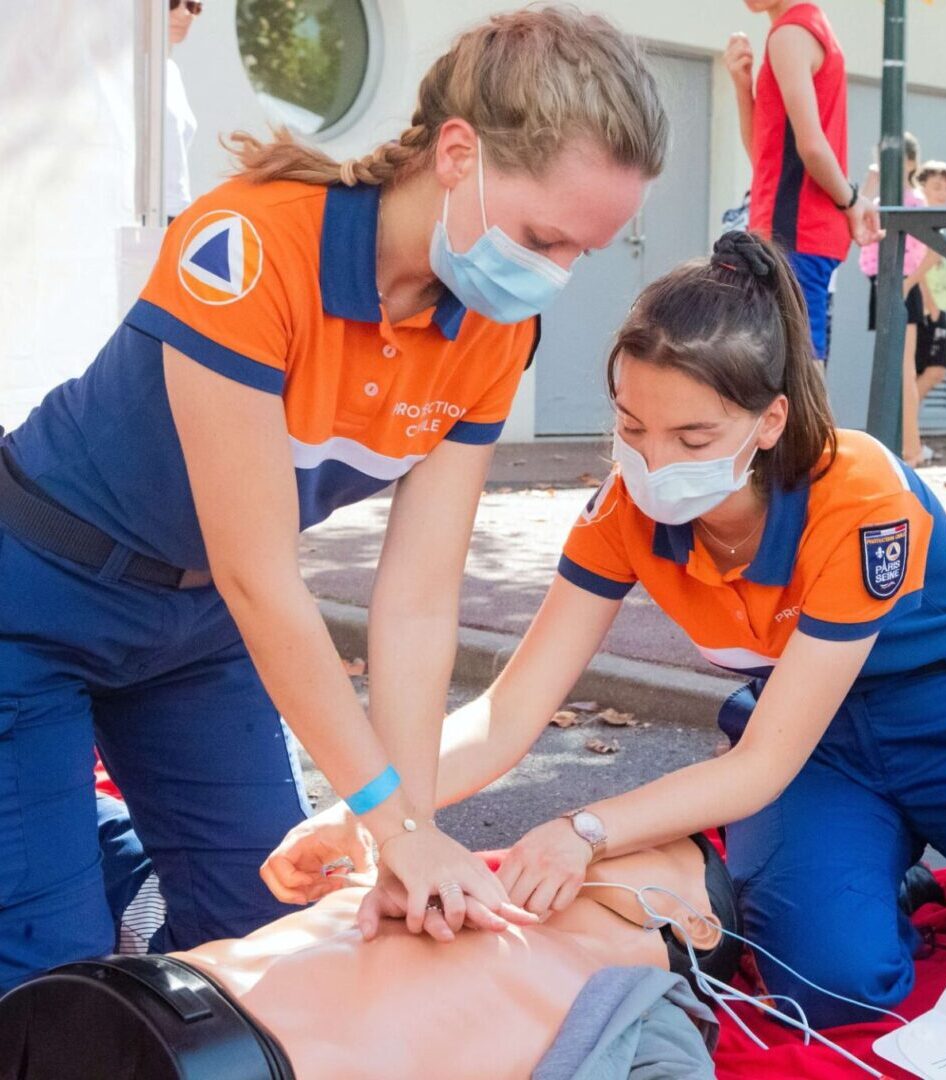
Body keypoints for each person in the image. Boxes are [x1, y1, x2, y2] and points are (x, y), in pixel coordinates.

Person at [0, 7, 668, 991]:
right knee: (49, 975)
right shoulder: (250, 246)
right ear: (456, 152)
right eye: (541, 238)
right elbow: (262, 576)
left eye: (582, 254)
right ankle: (75, 845)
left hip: (197, 630)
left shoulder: (491, 330)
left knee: (272, 933)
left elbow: (417, 601)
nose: (552, 279)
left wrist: (406, 833)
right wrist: (389, 824)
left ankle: (97, 851)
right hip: (37, 604)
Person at [268, 230, 946, 1030]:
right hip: (823, 752)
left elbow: (761, 763)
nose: (654, 463)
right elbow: (509, 712)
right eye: (631, 429)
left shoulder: (858, 493)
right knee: (832, 985)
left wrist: (583, 830)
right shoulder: (623, 511)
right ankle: (890, 872)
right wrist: (374, 811)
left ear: (770, 422)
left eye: (693, 438)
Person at [1, 836, 734, 1080]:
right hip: (102, 1006)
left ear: (697, 924)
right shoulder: (426, 881)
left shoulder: (647, 1013)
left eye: (639, 847)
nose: (566, 846)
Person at [723, 0, 880, 367]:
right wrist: (742, 86)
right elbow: (767, 155)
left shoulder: (790, 34)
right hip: (800, 233)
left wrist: (853, 201)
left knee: (795, 371)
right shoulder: (806, 27)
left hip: (792, 232)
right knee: (794, 365)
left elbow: (811, 146)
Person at [860, 132, 929, 466]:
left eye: (899, 158)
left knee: (904, 368)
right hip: (881, 280)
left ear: (912, 162)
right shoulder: (878, 198)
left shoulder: (914, 199)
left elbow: (926, 251)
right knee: (889, 366)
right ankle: (899, 448)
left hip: (903, 283)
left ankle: (911, 449)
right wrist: (869, 186)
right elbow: (859, 227)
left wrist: (907, 285)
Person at [913, 161, 946, 405]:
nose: (943, 193)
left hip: (937, 305)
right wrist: (930, 303)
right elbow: (917, 267)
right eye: (937, 187)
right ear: (922, 188)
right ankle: (903, 423)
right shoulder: (922, 226)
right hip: (929, 308)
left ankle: (910, 435)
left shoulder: (936, 226)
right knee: (935, 370)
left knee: (927, 371)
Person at [165, 0, 202, 223]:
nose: (185, 14)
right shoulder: (127, 68)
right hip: (136, 214)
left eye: (193, 6)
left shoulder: (171, 71)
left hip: (175, 213)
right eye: (172, 3)